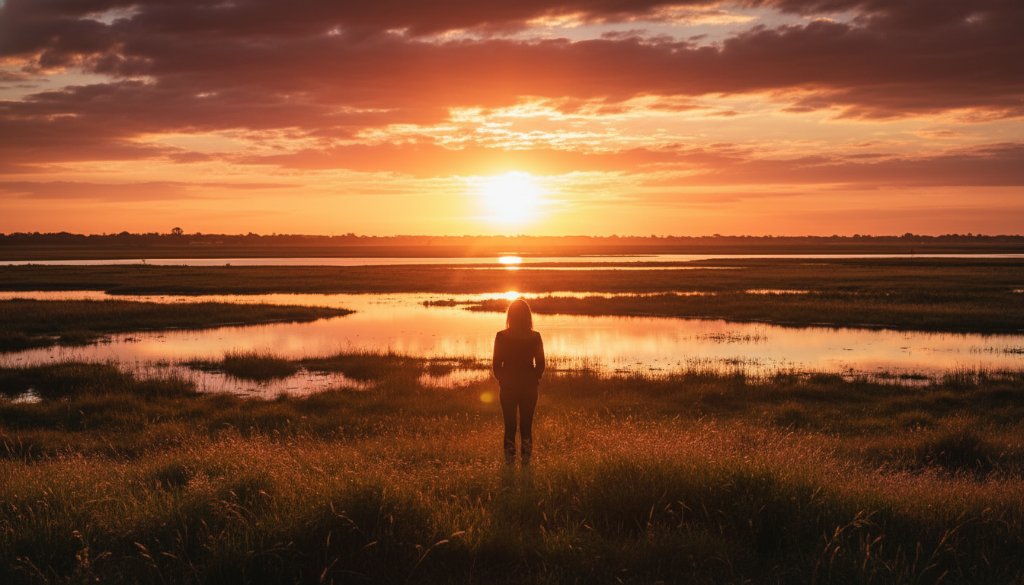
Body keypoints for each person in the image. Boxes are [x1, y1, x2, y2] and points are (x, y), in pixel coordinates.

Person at [492, 298, 545, 465]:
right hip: (529, 388)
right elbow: (541, 364)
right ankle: (525, 464)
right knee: (526, 426)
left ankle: (509, 463)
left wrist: (503, 381)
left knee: (509, 426)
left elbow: (496, 365)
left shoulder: (501, 336)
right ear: (527, 316)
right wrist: (534, 379)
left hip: (508, 387)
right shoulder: (535, 336)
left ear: (510, 316)